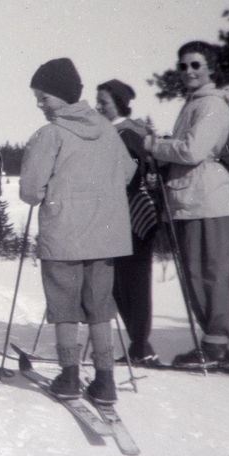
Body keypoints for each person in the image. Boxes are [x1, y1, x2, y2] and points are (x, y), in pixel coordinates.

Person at [19, 58, 134, 403]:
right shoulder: (108, 129)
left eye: (44, 97)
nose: (40, 105)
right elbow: (127, 171)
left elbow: (29, 191)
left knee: (64, 306)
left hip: (64, 235)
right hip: (105, 234)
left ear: (62, 95)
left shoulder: (50, 134)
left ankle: (69, 376)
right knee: (100, 307)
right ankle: (105, 380)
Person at [145, 41, 229, 367]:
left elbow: (193, 151)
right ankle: (213, 346)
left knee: (211, 272)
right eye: (183, 66)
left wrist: (155, 146)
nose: (189, 72)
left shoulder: (211, 104)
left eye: (196, 65)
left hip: (207, 198)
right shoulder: (194, 103)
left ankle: (215, 347)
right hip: (190, 198)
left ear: (210, 68)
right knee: (195, 274)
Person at [94, 79, 160, 365]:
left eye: (104, 103)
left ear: (119, 103)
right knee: (120, 283)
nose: (98, 107)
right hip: (119, 217)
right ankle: (138, 345)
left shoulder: (128, 132)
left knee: (133, 282)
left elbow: (132, 177)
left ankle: (141, 345)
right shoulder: (114, 131)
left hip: (133, 217)